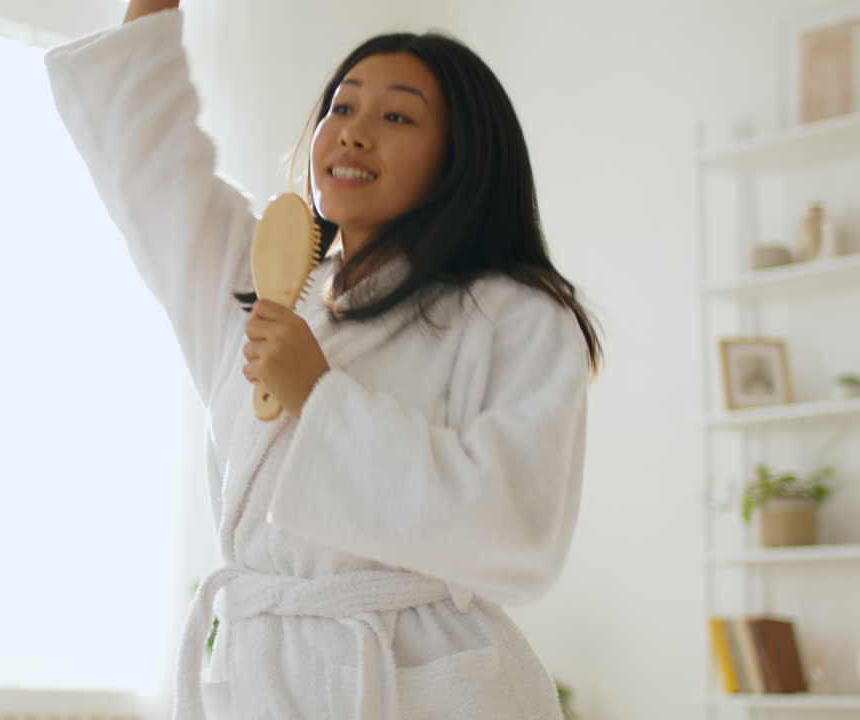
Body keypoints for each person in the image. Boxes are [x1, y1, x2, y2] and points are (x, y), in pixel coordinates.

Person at [45, 1, 601, 718]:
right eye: (342, 106)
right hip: (262, 678)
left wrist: (321, 397)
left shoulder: (516, 315)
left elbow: (518, 532)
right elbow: (148, 157)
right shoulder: (260, 286)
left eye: (398, 117)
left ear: (462, 156)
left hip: (416, 681)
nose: (355, 134)